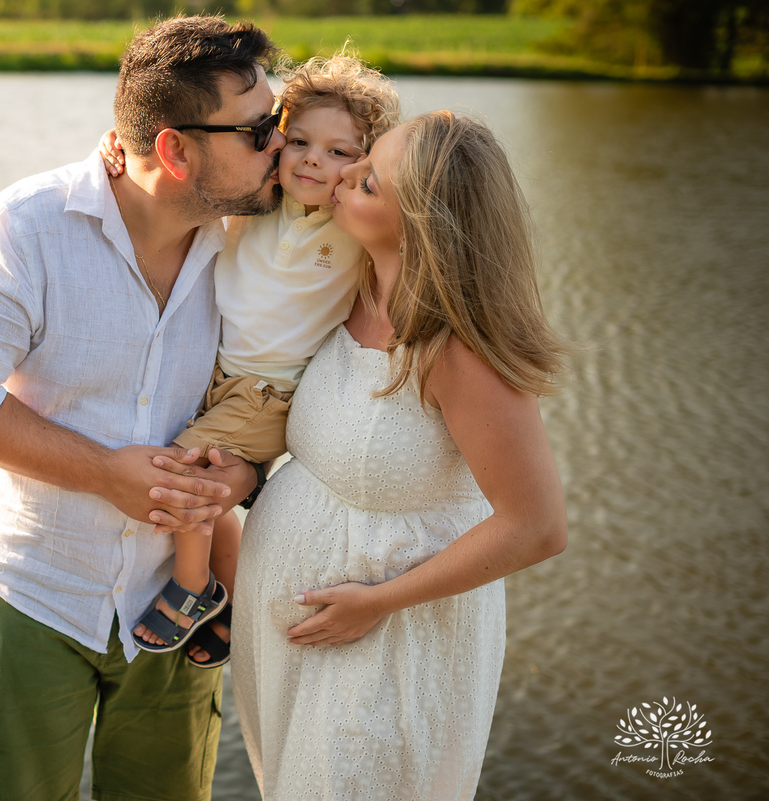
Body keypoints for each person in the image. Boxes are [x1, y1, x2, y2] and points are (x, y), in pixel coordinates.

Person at [0, 16, 283, 801]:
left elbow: (295, 380)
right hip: (29, 597)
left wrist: (241, 467)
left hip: (180, 604)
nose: (282, 143)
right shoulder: (28, 226)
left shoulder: (260, 241)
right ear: (174, 150)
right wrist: (105, 473)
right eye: (260, 129)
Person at [230, 110, 571, 800]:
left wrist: (378, 602)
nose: (343, 175)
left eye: (368, 180)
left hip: (392, 649)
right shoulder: (348, 287)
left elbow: (536, 525)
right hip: (298, 645)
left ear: (419, 220)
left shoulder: (458, 349)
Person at [102, 53, 402, 669]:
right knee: (206, 480)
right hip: (214, 372)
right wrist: (120, 152)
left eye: (341, 153)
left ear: (365, 165)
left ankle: (194, 587)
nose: (315, 161)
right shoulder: (254, 199)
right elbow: (192, 170)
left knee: (187, 474)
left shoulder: (350, 226)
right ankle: (236, 600)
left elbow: (407, 205)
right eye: (299, 142)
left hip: (270, 390)